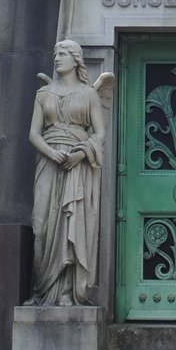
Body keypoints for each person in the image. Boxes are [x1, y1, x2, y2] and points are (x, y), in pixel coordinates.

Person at [28, 40, 112, 305]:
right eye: (55, 54)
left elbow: (100, 133)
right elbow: (33, 133)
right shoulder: (44, 94)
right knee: (41, 224)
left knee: (70, 223)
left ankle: (66, 292)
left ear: (76, 59)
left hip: (77, 163)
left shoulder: (89, 94)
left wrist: (79, 154)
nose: (57, 58)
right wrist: (52, 153)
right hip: (49, 161)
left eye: (63, 54)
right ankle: (42, 290)